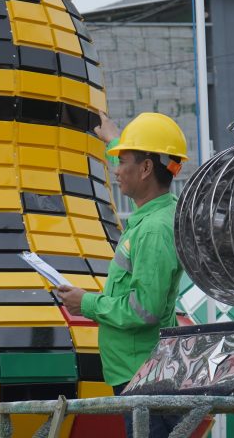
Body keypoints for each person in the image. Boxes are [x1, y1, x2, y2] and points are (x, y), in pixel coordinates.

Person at [57, 111, 188, 438]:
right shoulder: (158, 214)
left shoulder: (154, 232)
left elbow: (146, 309)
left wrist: (86, 304)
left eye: (122, 161)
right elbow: (140, 157)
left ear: (145, 169)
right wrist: (115, 140)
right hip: (142, 373)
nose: (115, 170)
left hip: (142, 378)